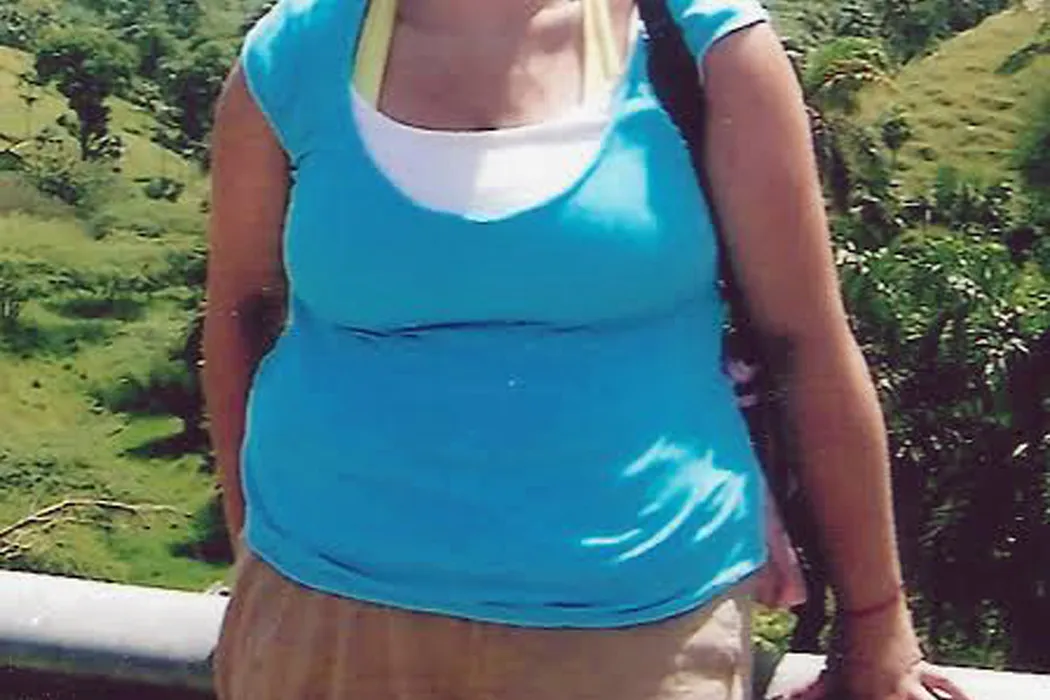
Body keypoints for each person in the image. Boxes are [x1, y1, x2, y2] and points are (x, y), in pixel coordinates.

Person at [203, 0, 974, 698]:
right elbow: (241, 316)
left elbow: (803, 338)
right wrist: (254, 555)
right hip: (325, 606)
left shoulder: (700, 45)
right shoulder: (298, 53)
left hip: (639, 622)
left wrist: (875, 617)